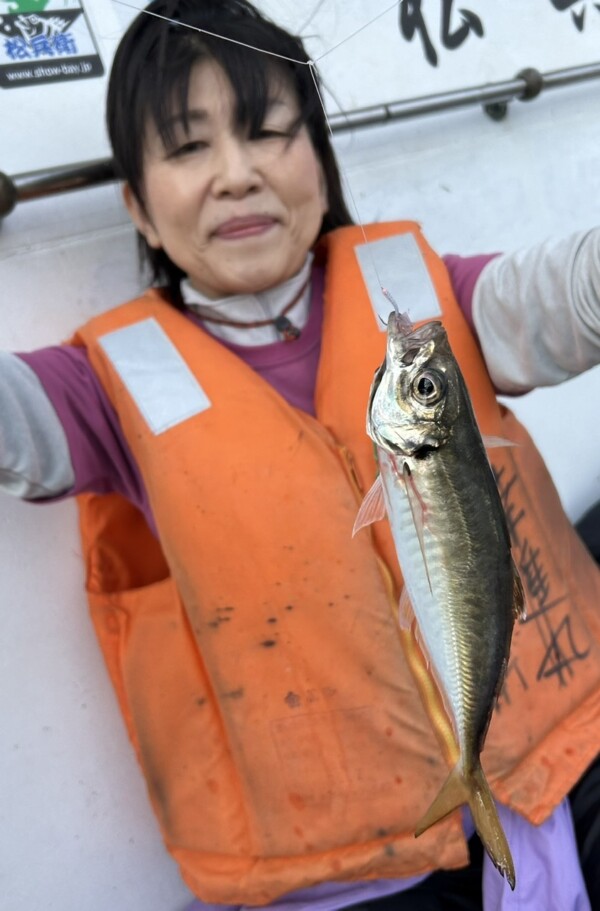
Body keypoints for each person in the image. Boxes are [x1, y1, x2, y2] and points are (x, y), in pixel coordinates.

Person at [2, 1, 600, 909]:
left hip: (561, 772)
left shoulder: (429, 302)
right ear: (139, 207)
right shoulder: (97, 390)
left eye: (269, 132)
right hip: (349, 880)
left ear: (320, 163)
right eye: (187, 146)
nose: (236, 176)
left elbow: (559, 296)